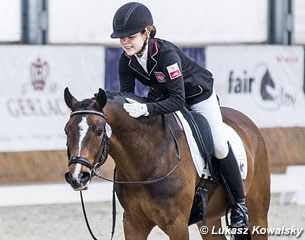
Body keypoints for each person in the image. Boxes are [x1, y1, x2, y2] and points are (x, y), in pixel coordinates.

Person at [111, 2, 248, 228]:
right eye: (121, 37)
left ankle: (239, 206)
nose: (125, 41)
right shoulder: (126, 60)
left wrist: (146, 109)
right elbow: (128, 96)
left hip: (198, 97)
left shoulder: (166, 54)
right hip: (164, 97)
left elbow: (178, 100)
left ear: (148, 32)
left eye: (130, 36)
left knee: (220, 145)